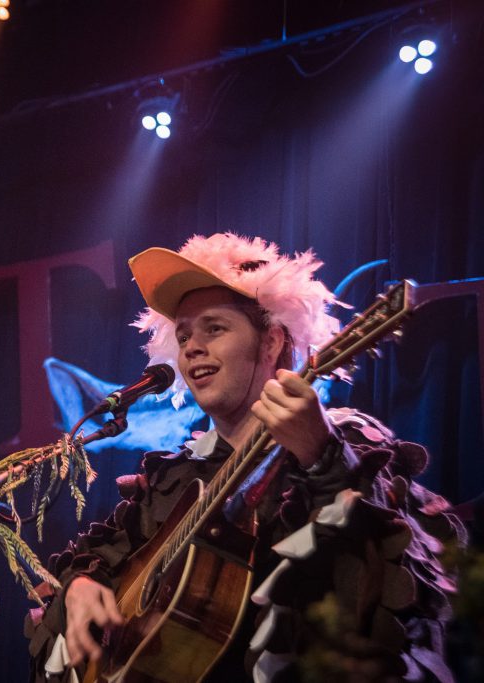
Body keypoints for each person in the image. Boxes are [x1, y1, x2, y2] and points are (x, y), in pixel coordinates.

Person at [26, 234, 464, 682]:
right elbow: (102, 554)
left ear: (272, 342)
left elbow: (396, 593)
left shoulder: (350, 444)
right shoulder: (174, 477)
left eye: (214, 328)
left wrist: (324, 460)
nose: (192, 347)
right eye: (183, 335)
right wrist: (82, 585)